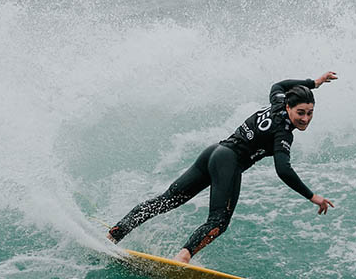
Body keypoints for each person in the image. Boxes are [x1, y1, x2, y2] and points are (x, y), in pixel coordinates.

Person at [107, 72, 338, 264]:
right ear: (289, 107)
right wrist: (313, 196)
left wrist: (313, 83)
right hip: (229, 162)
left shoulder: (277, 102)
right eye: (300, 113)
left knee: (167, 200)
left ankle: (114, 234)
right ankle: (182, 258)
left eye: (310, 113)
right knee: (218, 222)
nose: (305, 119)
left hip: (214, 152)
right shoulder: (283, 134)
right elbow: (283, 170)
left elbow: (278, 85)